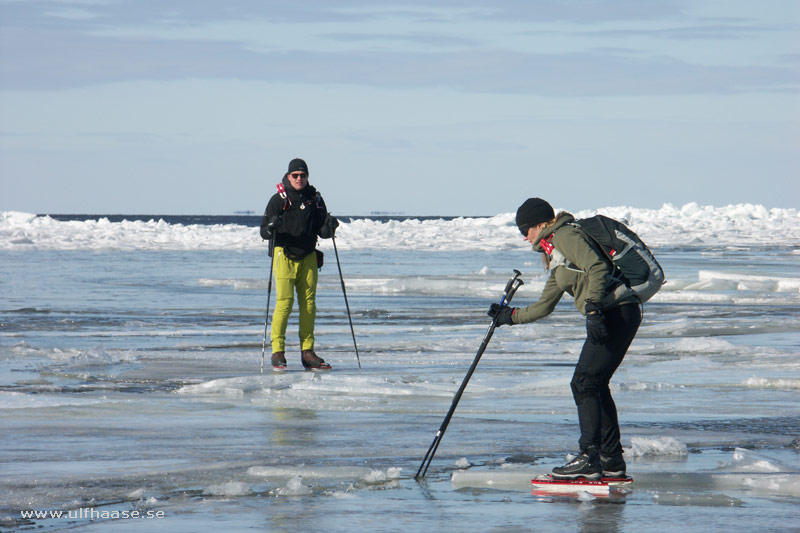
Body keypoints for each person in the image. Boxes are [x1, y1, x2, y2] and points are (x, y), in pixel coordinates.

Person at [488, 198, 642, 480]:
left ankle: (589, 457)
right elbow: (544, 306)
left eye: (526, 229)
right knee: (594, 384)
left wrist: (593, 306)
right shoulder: (557, 255)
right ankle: (611, 460)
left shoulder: (565, 235)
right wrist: (509, 316)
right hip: (613, 313)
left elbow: (597, 267)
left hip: (616, 312)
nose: (524, 236)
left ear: (541, 224)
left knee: (584, 383)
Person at [260, 158, 339, 371]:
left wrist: (331, 227)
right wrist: (271, 226)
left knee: (309, 305)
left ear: (307, 177)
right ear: (288, 176)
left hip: (309, 256)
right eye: (295, 175)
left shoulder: (315, 199)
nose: (299, 179)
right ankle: (278, 352)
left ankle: (308, 353)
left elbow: (323, 231)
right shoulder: (278, 199)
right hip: (284, 255)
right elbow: (264, 232)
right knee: (284, 303)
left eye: (302, 175)